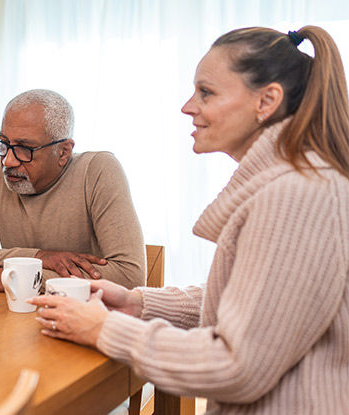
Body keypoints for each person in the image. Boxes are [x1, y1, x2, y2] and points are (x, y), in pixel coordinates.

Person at [29, 26, 349, 414]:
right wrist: (139, 304)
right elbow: (257, 301)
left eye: (206, 92)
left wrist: (103, 328)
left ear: (267, 101)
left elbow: (237, 364)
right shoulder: (294, 183)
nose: (187, 107)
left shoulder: (293, 195)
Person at [0, 89, 145, 291]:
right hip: (18, 313)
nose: (8, 161)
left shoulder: (98, 170)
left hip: (87, 315)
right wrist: (38, 257)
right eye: (3, 143)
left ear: (63, 152)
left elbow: (129, 276)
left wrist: (18, 277)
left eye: (24, 148)